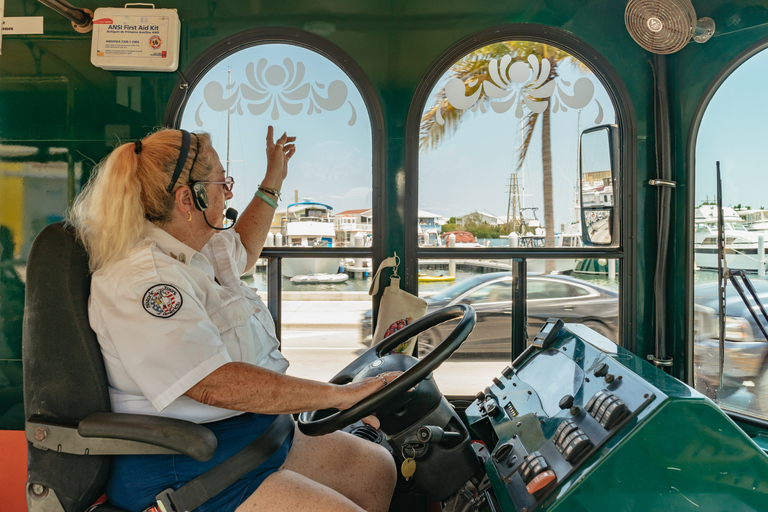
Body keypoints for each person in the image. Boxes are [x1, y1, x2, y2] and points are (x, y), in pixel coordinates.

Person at [68, 127, 398, 512]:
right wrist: (340, 396)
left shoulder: (197, 244)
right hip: (188, 462)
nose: (228, 191)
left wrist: (273, 179)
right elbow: (213, 385)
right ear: (187, 198)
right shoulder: (144, 281)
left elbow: (244, 246)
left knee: (376, 468)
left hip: (253, 434)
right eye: (222, 182)